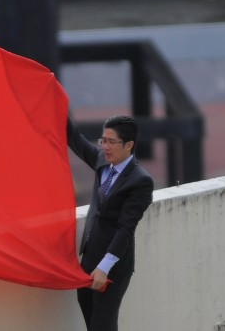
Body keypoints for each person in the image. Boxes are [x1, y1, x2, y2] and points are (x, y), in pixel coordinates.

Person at [67, 114, 153, 331]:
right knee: (91, 323)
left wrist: (104, 268)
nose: (105, 146)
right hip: (88, 261)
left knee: (102, 326)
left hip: (112, 267)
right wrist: (51, 90)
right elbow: (75, 138)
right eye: (103, 140)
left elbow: (126, 229)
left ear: (129, 145)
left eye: (111, 142)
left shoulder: (140, 181)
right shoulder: (102, 162)